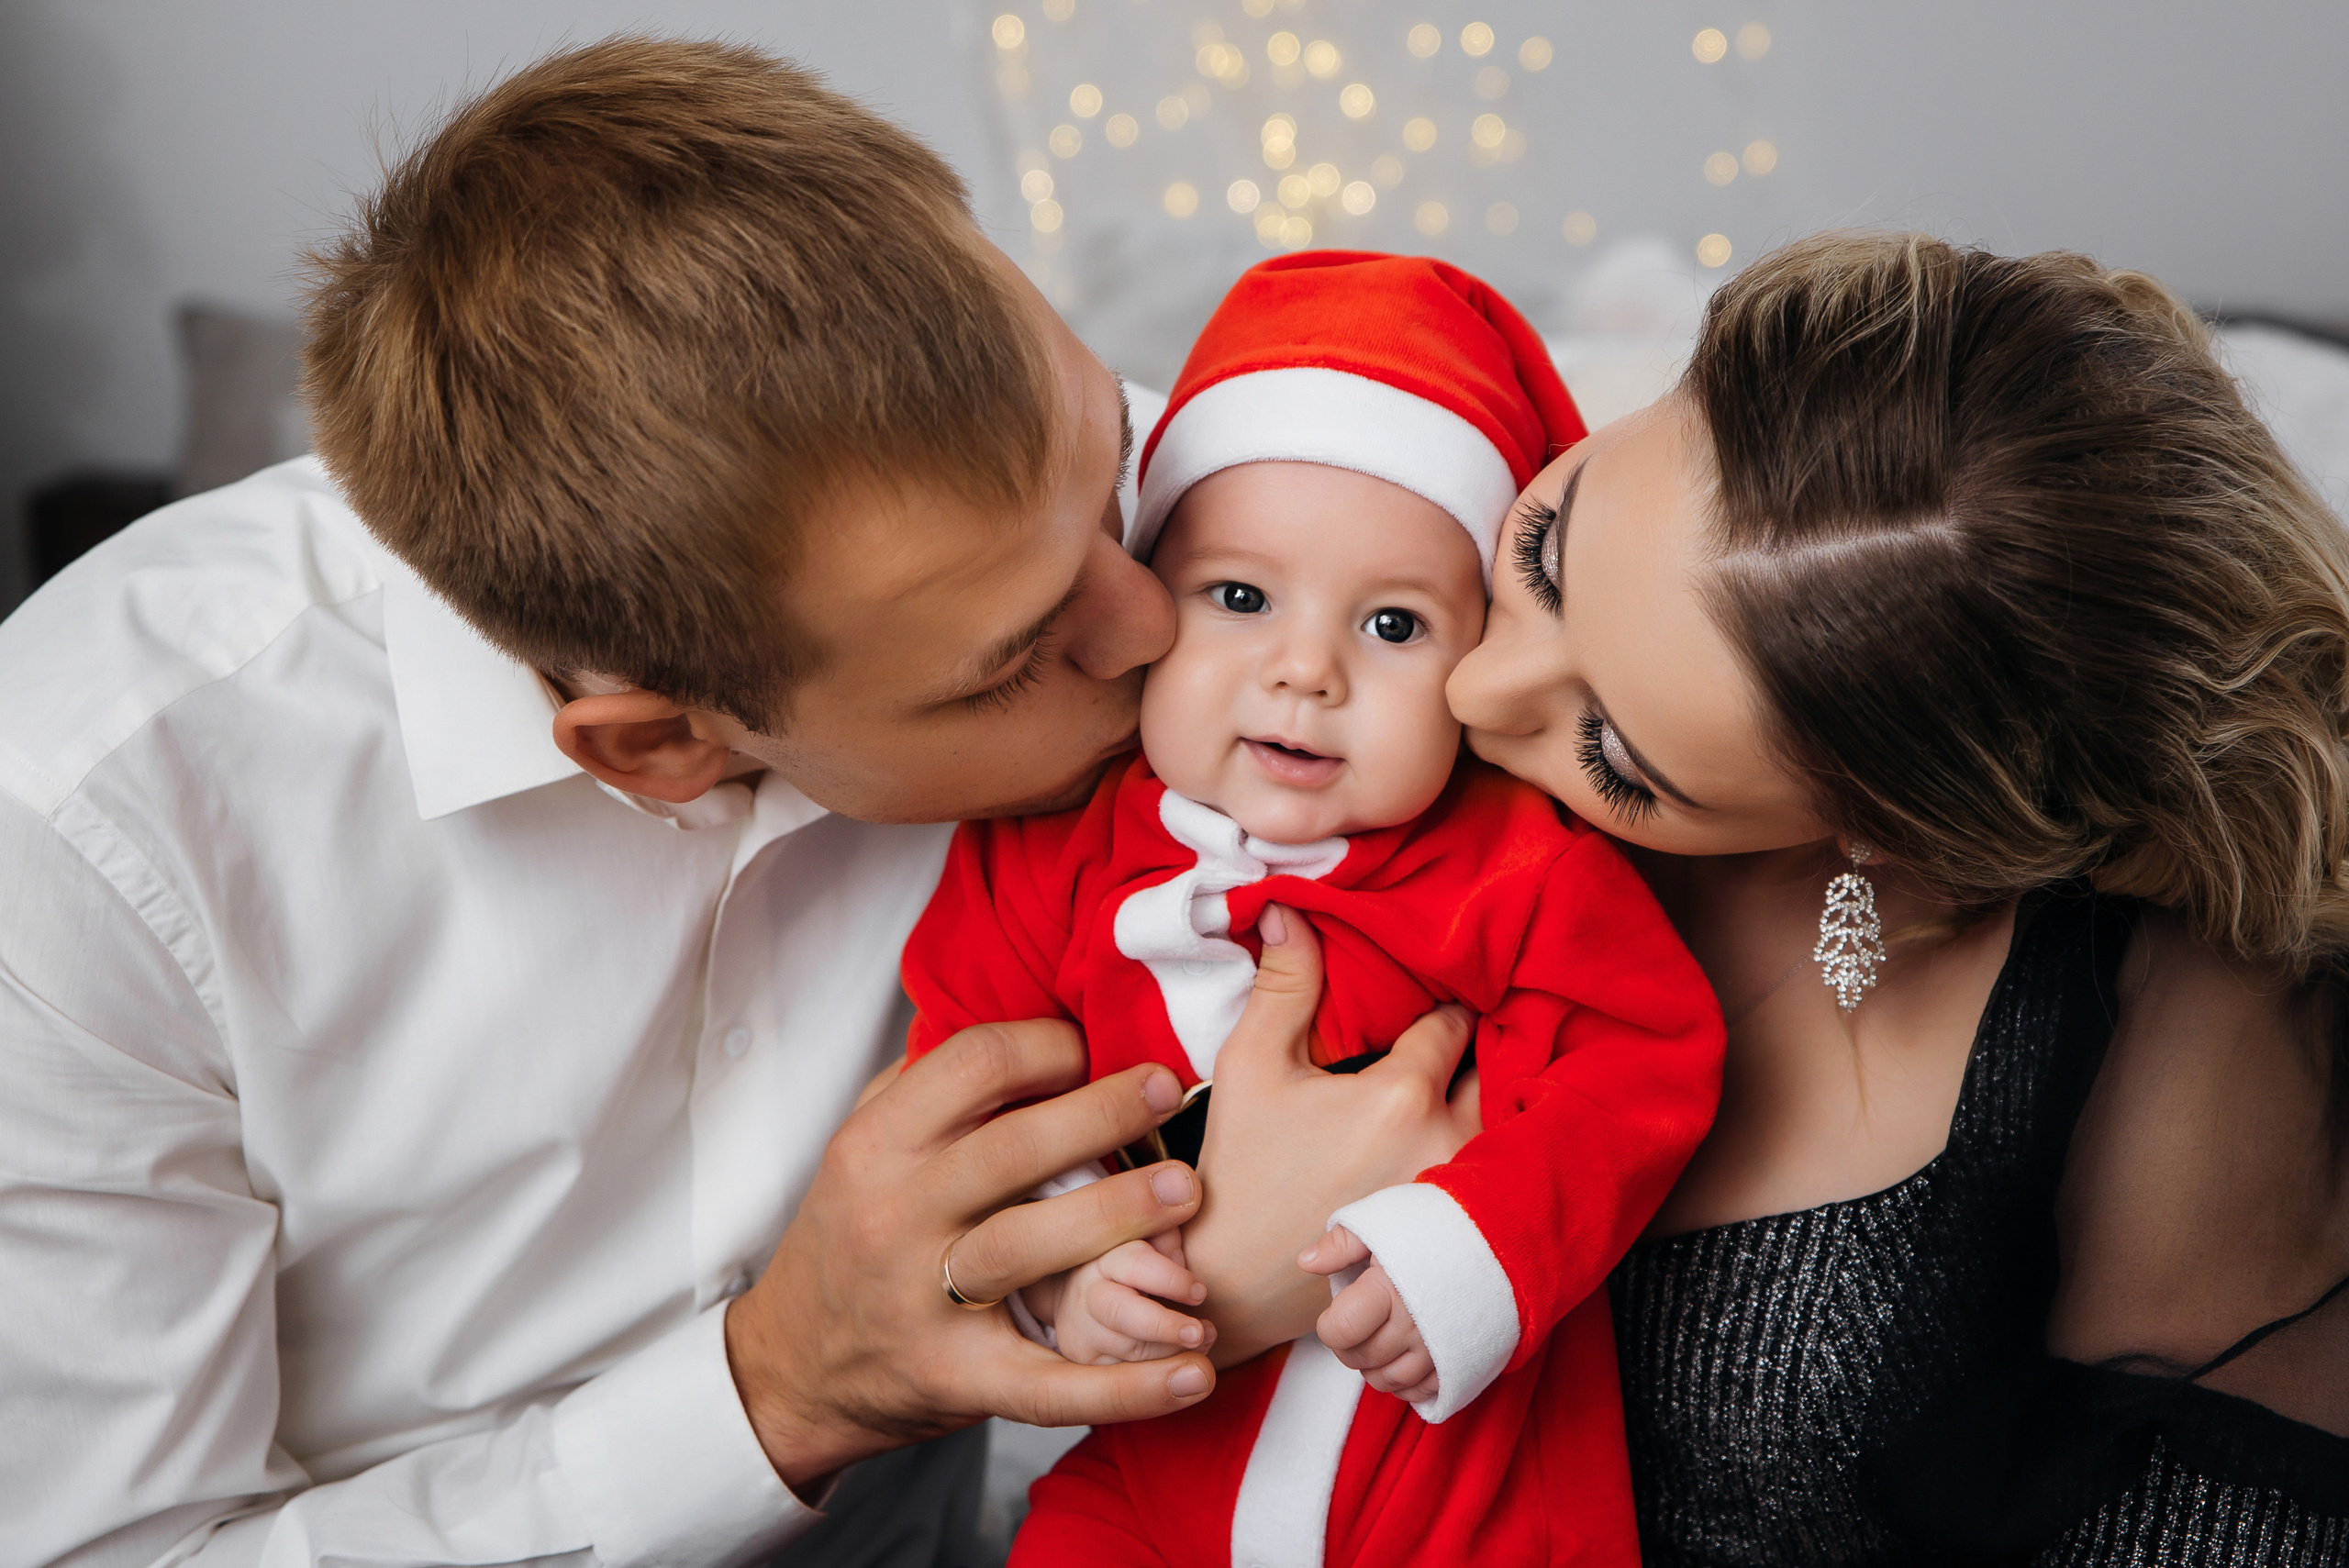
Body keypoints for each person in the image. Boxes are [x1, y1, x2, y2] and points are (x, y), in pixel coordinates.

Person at [0, 38, 1475, 1568]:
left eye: (1108, 476)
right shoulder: (79, 833)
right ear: (657, 746)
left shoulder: (1126, 522)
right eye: (1015, 659)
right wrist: (782, 1387)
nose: (1160, 628)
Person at [1422, 230, 2348, 1560]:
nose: (1468, 694)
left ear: (1879, 830)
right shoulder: (1407, 494)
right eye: (1547, 549)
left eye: (1616, 757)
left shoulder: (2186, 1058)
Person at [898, 253, 1723, 1566]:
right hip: (1158, 1470)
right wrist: (1063, 1262)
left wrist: (1467, 1244)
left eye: (1393, 623)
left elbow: (1642, 1059)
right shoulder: (1037, 854)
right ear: (1139, 593)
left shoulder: (1517, 867)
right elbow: (966, 1071)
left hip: (1460, 1477)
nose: (1305, 669)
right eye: (1240, 596)